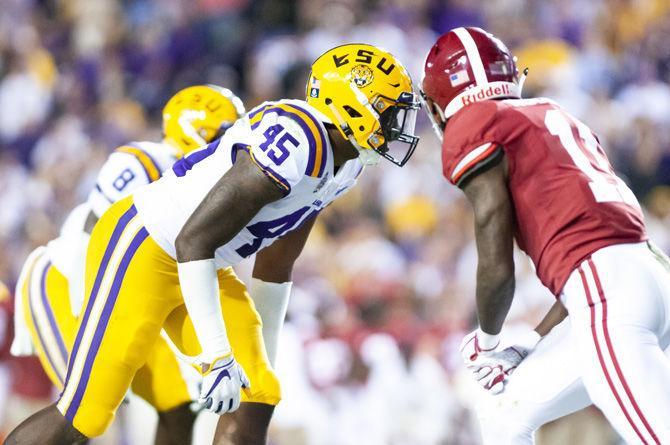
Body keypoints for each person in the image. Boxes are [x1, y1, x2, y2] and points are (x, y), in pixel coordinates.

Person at [5, 43, 421, 445]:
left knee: (258, 392)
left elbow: (276, 267)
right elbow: (193, 238)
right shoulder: (297, 140)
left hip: (200, 263)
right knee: (86, 414)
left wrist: (263, 358)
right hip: (147, 247)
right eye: (389, 112)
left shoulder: (344, 164)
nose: (398, 125)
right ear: (352, 107)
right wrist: (218, 356)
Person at [421, 27, 670, 444]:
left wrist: (488, 340)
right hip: (636, 276)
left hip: (608, 294)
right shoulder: (552, 113)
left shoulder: (474, 123)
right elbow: (590, 260)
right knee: (504, 411)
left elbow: (496, 253)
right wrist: (533, 339)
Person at [9, 85, 245, 445]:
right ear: (194, 130)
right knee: (84, 412)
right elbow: (101, 240)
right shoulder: (144, 161)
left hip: (127, 295)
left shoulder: (214, 184)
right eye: (224, 134)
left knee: (179, 402)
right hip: (70, 283)